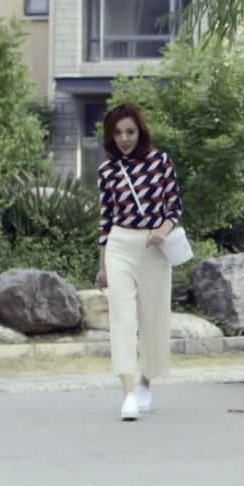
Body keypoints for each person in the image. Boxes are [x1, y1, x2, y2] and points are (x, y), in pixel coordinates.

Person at [95, 103, 184, 422]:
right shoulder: (107, 171)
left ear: (140, 132)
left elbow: (174, 206)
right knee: (122, 319)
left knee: (153, 319)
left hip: (153, 248)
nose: (124, 138)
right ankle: (129, 393)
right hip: (120, 244)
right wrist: (102, 266)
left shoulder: (160, 162)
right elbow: (105, 222)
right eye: (118, 133)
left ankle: (146, 382)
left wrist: (162, 230)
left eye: (130, 132)